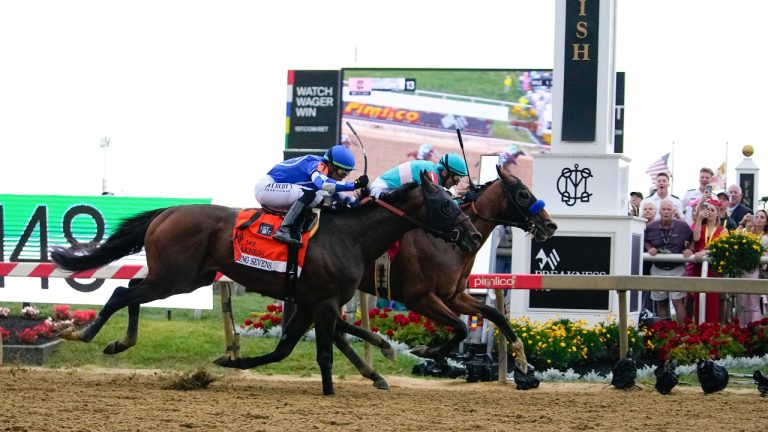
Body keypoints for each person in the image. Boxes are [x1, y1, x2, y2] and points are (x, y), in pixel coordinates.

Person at [254, 144, 368, 247]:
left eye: (347, 173)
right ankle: (283, 230)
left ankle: (296, 232)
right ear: (331, 166)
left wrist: (357, 202)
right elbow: (323, 183)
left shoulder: (325, 169)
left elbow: (337, 194)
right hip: (266, 187)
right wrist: (354, 184)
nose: (344, 176)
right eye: (342, 172)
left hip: (278, 191)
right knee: (310, 195)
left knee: (320, 198)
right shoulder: (316, 164)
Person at [644, 199, 694, 324]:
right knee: (661, 302)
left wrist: (690, 249)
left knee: (678, 301)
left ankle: (681, 330)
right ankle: (664, 330)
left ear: (673, 211)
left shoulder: (682, 226)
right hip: (658, 268)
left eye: (669, 209)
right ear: (659, 211)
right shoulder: (651, 227)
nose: (666, 212)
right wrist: (649, 248)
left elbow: (693, 239)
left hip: (677, 268)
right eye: (664, 209)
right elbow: (644, 240)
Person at [688, 198, 728, 323]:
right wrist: (699, 219)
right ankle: (699, 326)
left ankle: (712, 328)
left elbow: (722, 249)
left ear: (717, 213)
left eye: (712, 210)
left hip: (713, 268)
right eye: (708, 210)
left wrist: (707, 252)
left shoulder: (723, 230)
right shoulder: (701, 226)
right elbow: (696, 238)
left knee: (712, 299)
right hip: (698, 266)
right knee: (699, 298)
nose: (710, 212)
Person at [369, 152, 468, 199]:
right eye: (456, 178)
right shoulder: (430, 172)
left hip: (389, 190)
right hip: (380, 190)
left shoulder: (433, 171)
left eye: (459, 179)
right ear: (445, 172)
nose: (457, 183)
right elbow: (438, 199)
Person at [737, 210, 768, 324]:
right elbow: (733, 240)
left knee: (754, 304)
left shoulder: (766, 237)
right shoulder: (745, 231)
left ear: (766, 222)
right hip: (743, 271)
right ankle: (744, 329)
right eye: (757, 216)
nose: (758, 219)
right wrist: (742, 223)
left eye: (762, 217)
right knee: (743, 304)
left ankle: (755, 329)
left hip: (760, 272)